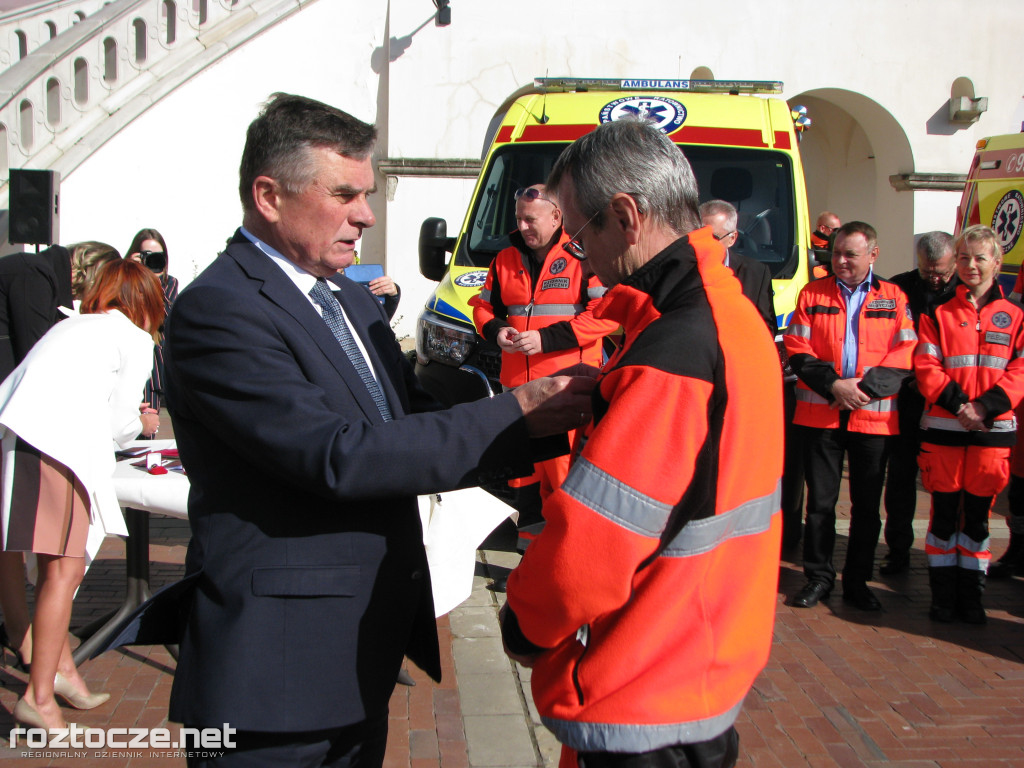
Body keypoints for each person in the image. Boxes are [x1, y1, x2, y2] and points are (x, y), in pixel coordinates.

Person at [162, 93, 592, 767]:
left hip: (357, 653)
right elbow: (335, 455)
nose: (365, 215)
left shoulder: (350, 301)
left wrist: (549, 419)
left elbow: (411, 422)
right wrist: (516, 409)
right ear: (268, 196)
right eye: (344, 194)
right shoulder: (220, 309)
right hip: (274, 675)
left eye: (366, 194)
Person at [499, 118, 783, 768]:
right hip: (698, 658)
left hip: (642, 689)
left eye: (578, 232)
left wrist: (525, 621)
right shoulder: (725, 312)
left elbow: (592, 547)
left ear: (625, 216)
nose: (575, 254)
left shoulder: (675, 351)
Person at [0, 259, 163, 731]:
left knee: (57, 569)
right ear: (145, 304)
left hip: (25, 442)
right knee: (63, 572)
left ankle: (62, 673)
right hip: (57, 450)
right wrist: (144, 423)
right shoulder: (132, 337)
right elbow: (119, 425)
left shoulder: (73, 325)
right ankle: (38, 698)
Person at [785, 221, 916, 612]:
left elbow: (905, 353)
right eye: (836, 253)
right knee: (821, 505)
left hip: (872, 420)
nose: (840, 261)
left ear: (873, 255)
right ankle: (819, 578)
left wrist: (863, 390)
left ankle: (857, 582)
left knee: (865, 507)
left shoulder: (894, 298)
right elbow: (797, 346)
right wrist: (834, 386)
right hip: (820, 416)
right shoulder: (812, 292)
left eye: (850, 255)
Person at [470, 184, 617, 512]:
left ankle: (565, 557)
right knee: (525, 485)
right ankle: (529, 554)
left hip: (564, 395)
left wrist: (544, 340)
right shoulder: (504, 259)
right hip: (519, 398)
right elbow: (482, 308)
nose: (522, 227)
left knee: (566, 486)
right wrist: (496, 332)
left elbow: (607, 316)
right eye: (519, 218)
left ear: (556, 216)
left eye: (530, 219)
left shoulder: (583, 255)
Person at [914, 224, 1024, 623]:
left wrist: (985, 408)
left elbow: (1020, 370)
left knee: (977, 520)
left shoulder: (1015, 316)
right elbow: (926, 366)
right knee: (943, 518)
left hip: (991, 434)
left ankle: (971, 599)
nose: (971, 265)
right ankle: (942, 598)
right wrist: (962, 405)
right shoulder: (937, 312)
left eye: (980, 258)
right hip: (944, 430)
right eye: (964, 257)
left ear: (997, 262)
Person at [0, 244, 73, 672]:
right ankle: (24, 634)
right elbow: (38, 348)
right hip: (11, 412)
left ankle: (22, 630)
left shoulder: (27, 269)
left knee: (6, 536)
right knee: (10, 534)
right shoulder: (32, 272)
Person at [880, 232, 957, 575]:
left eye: (940, 271)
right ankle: (898, 549)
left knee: (947, 479)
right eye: (927, 272)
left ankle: (948, 548)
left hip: (949, 399)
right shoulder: (899, 287)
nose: (934, 278)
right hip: (908, 398)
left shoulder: (967, 291)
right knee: (900, 476)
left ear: (955, 261)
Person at [699, 199, 777, 336]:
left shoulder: (756, 274)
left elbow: (766, 328)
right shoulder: (680, 269)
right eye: (699, 236)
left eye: (713, 237)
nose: (704, 243)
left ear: (732, 238)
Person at [127, 228, 178, 435]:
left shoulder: (169, 283)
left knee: (148, 429)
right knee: (126, 422)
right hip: (129, 361)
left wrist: (153, 282)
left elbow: (166, 318)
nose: (153, 261)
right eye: (146, 255)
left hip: (154, 369)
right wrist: (132, 271)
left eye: (158, 256)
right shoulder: (126, 283)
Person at [811, 212, 841, 279]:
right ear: (823, 229)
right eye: (835, 230)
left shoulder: (838, 247)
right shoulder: (808, 247)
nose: (837, 234)